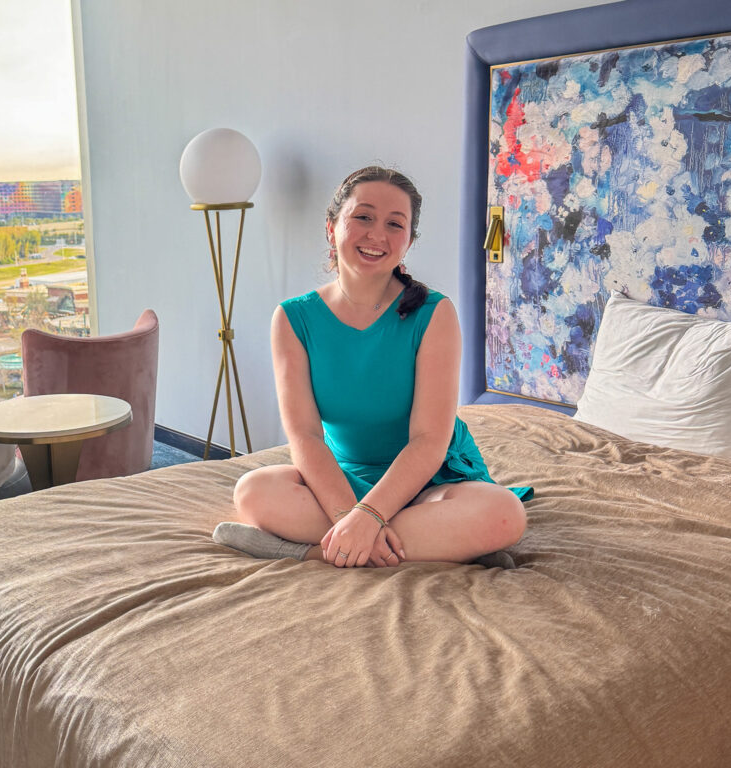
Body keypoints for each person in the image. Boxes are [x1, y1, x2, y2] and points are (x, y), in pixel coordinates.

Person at [213, 166, 531, 569]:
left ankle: (308, 551)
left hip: (431, 479)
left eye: (394, 224)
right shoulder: (293, 319)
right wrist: (350, 516)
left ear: (408, 241)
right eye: (363, 217)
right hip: (343, 481)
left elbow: (429, 440)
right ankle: (436, 546)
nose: (377, 235)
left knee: (503, 515)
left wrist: (370, 516)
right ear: (331, 227)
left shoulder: (435, 313)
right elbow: (306, 437)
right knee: (253, 490)